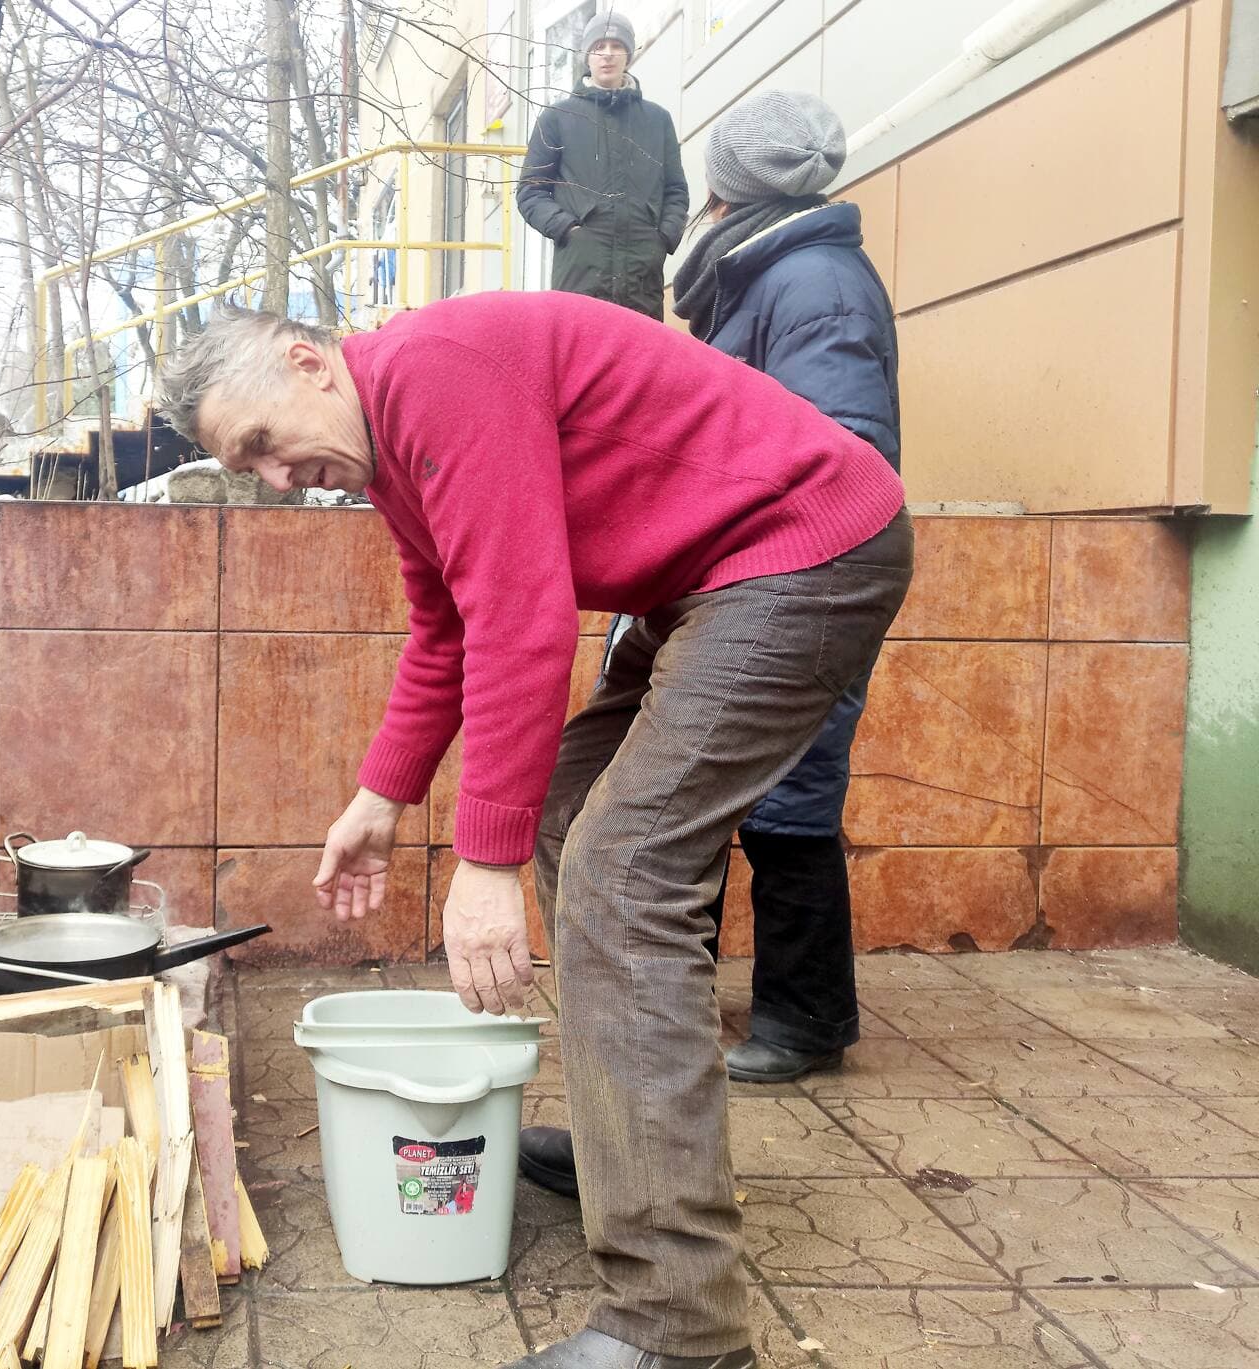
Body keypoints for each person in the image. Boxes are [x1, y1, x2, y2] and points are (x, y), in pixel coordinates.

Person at [156, 291, 910, 1369]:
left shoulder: (434, 372)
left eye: (265, 443)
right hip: (717, 576)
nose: (278, 478)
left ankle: (676, 1326)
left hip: (799, 552)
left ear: (308, 362)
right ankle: (630, 1155)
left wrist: (485, 863)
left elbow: (522, 617)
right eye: (252, 468)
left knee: (621, 872)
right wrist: (379, 799)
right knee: (572, 810)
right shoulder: (391, 448)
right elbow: (447, 630)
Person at [517, 90, 900, 1207]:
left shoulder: (812, 280)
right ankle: (642, 1113)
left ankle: (802, 1018)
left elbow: (843, 441)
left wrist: (725, 527)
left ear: (731, 184)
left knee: (785, 809)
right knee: (674, 830)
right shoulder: (753, 270)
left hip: (786, 573)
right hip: (727, 577)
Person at [516, 12, 687, 318]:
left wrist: (662, 238)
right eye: (599, 46)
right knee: (580, 345)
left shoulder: (657, 120)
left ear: (628, 55)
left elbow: (676, 190)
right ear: (587, 55)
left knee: (639, 349)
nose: (607, 54)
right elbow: (531, 191)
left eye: (616, 46)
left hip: (642, 277)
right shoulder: (558, 118)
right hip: (580, 274)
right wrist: (567, 229)